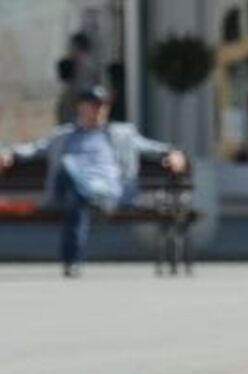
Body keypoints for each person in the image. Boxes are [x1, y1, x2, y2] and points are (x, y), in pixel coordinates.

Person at [0, 86, 186, 277]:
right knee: (70, 171)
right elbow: (33, 150)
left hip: (107, 193)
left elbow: (155, 148)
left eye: (103, 105)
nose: (99, 110)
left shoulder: (123, 134)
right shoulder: (63, 136)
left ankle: (73, 260)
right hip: (71, 190)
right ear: (80, 107)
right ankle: (84, 195)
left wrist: (173, 153)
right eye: (93, 105)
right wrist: (8, 154)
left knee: (75, 195)